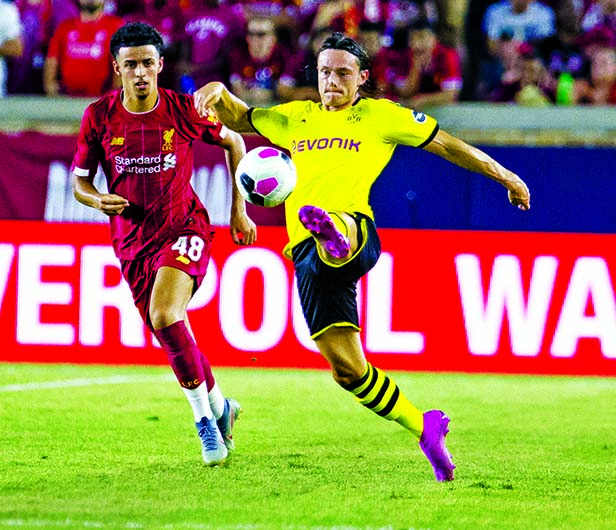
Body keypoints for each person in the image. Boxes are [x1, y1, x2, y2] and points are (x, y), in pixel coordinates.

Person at [194, 32, 531, 482]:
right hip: (306, 256)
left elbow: (448, 144)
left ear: (363, 78)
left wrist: (504, 175)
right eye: (325, 72)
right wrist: (218, 93)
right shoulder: (295, 118)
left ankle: (334, 231)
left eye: (342, 73)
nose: (331, 81)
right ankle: (424, 426)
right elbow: (239, 116)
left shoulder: (378, 115)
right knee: (348, 370)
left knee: (339, 233)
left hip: (359, 234)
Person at [70, 22, 257, 467]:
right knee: (171, 330)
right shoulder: (99, 116)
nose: (140, 73)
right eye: (130, 64)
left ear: (160, 66)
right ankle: (221, 407)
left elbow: (234, 140)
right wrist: (97, 199)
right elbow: (79, 181)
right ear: (116, 68)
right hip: (132, 244)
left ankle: (204, 427)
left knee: (165, 314)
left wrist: (240, 208)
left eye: (147, 64)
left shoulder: (181, 109)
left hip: (185, 228)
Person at [44, 0, 123, 97]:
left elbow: (122, 66)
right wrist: (52, 92)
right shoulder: (64, 28)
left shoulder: (116, 27)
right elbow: (51, 62)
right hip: (67, 102)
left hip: (101, 102)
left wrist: (112, 101)